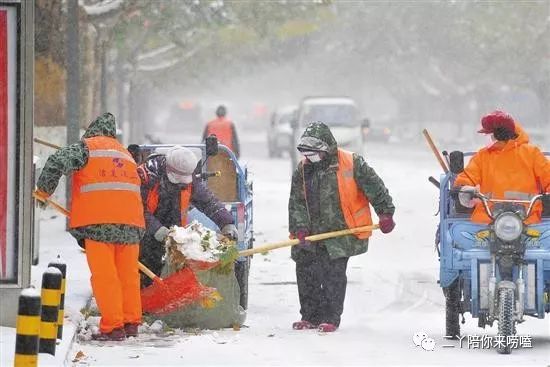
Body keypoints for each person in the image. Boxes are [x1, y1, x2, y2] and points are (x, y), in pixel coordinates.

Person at [34, 113, 145, 341]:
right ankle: (130, 321)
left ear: (92, 130)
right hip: (132, 224)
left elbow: (56, 161)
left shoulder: (86, 148)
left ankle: (113, 327)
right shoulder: (125, 154)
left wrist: (43, 191)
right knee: (128, 275)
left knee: (105, 276)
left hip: (99, 224)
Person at [288, 122, 395, 332]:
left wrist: (385, 213)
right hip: (310, 233)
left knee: (332, 275)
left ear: (327, 148)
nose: (311, 158)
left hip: (339, 232)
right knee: (305, 271)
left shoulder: (352, 163)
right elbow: (297, 202)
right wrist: (300, 227)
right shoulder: (303, 170)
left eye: (315, 154)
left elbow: (375, 187)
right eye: (307, 154)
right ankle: (309, 315)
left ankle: (330, 317)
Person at [138, 145, 237, 287]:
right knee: (147, 276)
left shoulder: (189, 183)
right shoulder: (146, 178)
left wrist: (226, 223)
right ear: (168, 170)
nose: (181, 184)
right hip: (144, 238)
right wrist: (158, 230)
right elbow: (137, 210)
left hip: (174, 238)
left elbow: (208, 202)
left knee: (175, 275)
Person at [454, 110, 550, 224]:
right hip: (487, 220)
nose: (486, 138)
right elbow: (468, 177)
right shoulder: (482, 156)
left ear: (500, 134)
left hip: (527, 219)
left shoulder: (532, 154)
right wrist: (464, 189)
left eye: (488, 134)